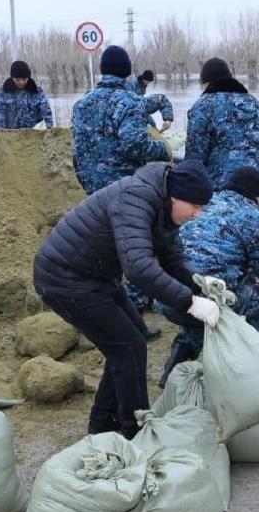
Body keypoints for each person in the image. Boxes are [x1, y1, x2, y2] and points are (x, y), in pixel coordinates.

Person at [32, 160, 217, 439]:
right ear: (177, 196)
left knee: (132, 339)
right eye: (196, 207)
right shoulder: (136, 198)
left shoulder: (164, 206)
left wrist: (201, 285)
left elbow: (173, 259)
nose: (197, 215)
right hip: (64, 279)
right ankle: (135, 430)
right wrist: (190, 303)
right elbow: (138, 267)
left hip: (95, 276)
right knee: (128, 347)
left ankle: (103, 422)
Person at [155, 166, 259, 386]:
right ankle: (242, 372)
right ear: (256, 196)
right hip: (201, 298)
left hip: (169, 297)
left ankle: (174, 368)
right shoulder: (253, 215)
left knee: (202, 304)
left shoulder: (202, 203)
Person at [72, 46, 170, 195]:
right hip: (121, 189)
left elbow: (77, 146)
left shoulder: (81, 103)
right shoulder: (130, 102)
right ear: (127, 70)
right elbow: (135, 146)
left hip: (89, 189)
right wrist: (162, 148)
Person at [184, 57, 259, 188]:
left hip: (221, 187)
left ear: (206, 82)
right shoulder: (254, 103)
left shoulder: (203, 106)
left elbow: (195, 156)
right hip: (254, 185)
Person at [0, 60, 53, 129]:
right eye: (17, 79)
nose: (21, 82)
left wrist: (48, 132)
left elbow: (47, 114)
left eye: (24, 79)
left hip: (33, 136)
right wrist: (1, 135)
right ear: (12, 78)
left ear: (28, 78)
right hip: (10, 136)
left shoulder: (37, 92)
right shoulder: (3, 93)